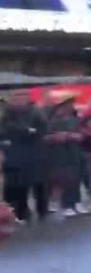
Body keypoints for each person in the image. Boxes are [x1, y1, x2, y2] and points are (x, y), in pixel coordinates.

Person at [0, 89, 49, 223]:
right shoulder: (6, 114)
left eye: (23, 96)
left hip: (35, 154)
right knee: (17, 186)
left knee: (39, 184)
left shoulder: (36, 113)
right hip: (14, 155)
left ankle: (42, 210)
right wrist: (25, 131)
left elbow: (42, 131)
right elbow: (4, 132)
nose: (19, 99)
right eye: (16, 96)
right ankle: (19, 213)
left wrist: (27, 132)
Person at [44, 96, 85, 216]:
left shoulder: (76, 120)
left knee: (76, 177)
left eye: (71, 104)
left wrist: (73, 136)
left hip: (74, 152)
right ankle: (66, 204)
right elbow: (44, 138)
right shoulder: (50, 121)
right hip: (58, 153)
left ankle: (76, 201)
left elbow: (83, 135)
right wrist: (56, 137)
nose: (69, 107)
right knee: (64, 178)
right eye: (66, 105)